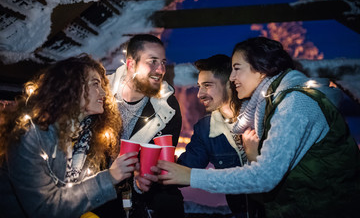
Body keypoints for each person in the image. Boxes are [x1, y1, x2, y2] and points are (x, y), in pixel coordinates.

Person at [157, 37, 360, 218]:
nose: (232, 77)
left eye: (237, 68)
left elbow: (265, 177)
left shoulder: (294, 103)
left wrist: (192, 176)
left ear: (261, 68)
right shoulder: (268, 107)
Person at [0, 54, 138, 218]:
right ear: (70, 87)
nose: (103, 92)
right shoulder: (30, 136)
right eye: (95, 84)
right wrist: (110, 177)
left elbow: (76, 195)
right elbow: (45, 209)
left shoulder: (87, 137)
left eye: (102, 86)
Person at [105, 34, 184, 218]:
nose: (160, 69)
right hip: (100, 191)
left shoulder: (167, 108)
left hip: (143, 197)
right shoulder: (101, 94)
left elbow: (160, 164)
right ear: (131, 64)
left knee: (168, 203)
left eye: (163, 62)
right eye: (153, 61)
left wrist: (141, 181)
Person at [177, 54, 263, 217]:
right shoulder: (206, 128)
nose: (199, 94)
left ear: (230, 84)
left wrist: (254, 157)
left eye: (207, 85)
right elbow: (185, 169)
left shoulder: (260, 117)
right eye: (199, 86)